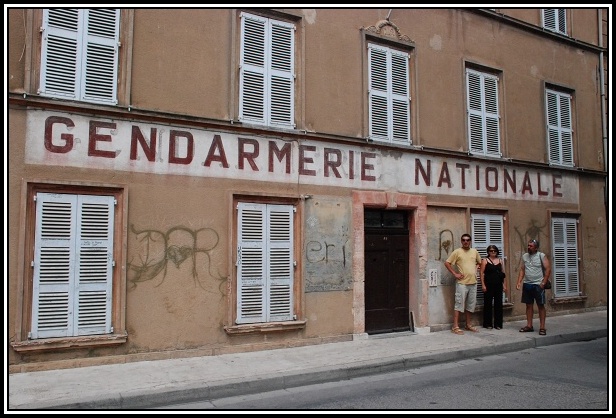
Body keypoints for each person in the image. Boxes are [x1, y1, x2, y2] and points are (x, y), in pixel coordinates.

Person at [445, 233, 482, 335]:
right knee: (459, 305)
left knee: (470, 305)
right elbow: (447, 263)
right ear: (461, 241)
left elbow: (480, 262)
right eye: (464, 240)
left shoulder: (474, 251)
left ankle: (468, 325)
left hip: (473, 282)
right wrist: (455, 274)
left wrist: (476, 269)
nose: (466, 242)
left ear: (470, 241)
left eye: (468, 240)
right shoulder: (457, 252)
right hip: (462, 283)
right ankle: (455, 326)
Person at [516, 239, 551, 335]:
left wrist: (543, 283)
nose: (528, 247)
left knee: (540, 306)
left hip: (538, 285)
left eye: (531, 246)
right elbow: (522, 270)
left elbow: (548, 269)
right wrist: (519, 281)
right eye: (528, 245)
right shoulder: (525, 256)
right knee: (528, 305)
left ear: (536, 248)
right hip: (527, 284)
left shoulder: (541, 256)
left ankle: (542, 327)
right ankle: (529, 325)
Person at [480, 245, 506, 330]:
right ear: (488, 252)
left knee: (498, 304)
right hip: (488, 285)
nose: (493, 252)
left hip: (498, 285)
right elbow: (482, 273)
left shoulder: (500, 261)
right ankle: (488, 323)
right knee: (488, 304)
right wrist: (483, 284)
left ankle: (498, 324)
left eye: (494, 251)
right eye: (491, 251)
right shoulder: (485, 260)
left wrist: (504, 285)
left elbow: (503, 274)